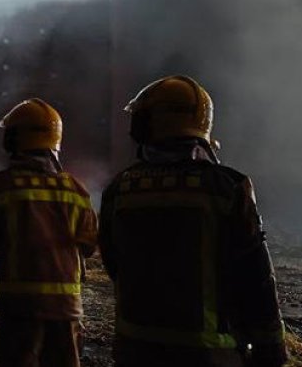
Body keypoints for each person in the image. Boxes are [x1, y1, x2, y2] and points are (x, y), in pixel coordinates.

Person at [99, 75, 287, 367]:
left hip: (134, 348)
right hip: (208, 353)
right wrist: (271, 347)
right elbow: (255, 276)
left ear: (151, 122)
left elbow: (114, 263)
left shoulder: (119, 188)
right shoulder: (227, 188)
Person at [0, 98, 98, 367]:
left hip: (18, 307)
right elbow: (89, 244)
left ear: (13, 140)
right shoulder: (76, 189)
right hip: (65, 307)